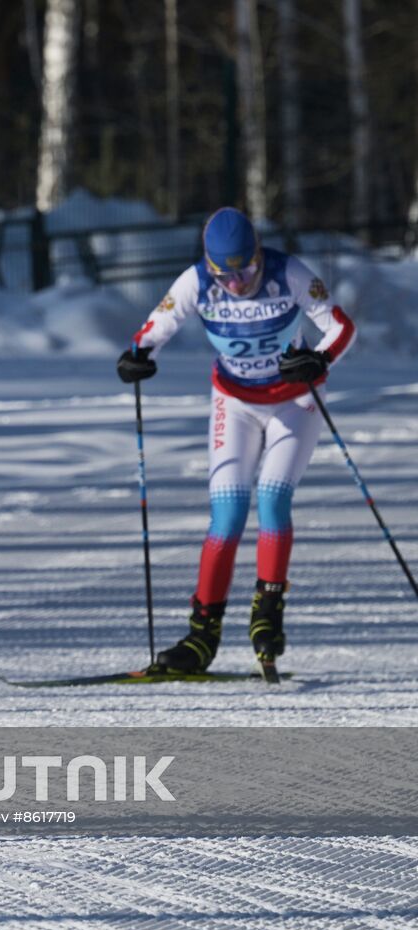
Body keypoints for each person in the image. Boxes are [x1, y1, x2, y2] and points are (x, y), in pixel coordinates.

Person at [117, 207, 355, 672]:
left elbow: (341, 327)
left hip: (294, 402)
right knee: (225, 518)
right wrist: (137, 356)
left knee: (272, 498)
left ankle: (267, 614)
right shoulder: (195, 283)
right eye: (223, 275)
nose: (236, 283)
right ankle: (201, 636)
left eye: (246, 270)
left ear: (258, 254)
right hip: (236, 402)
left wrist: (318, 361)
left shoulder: (287, 273)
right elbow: (153, 330)